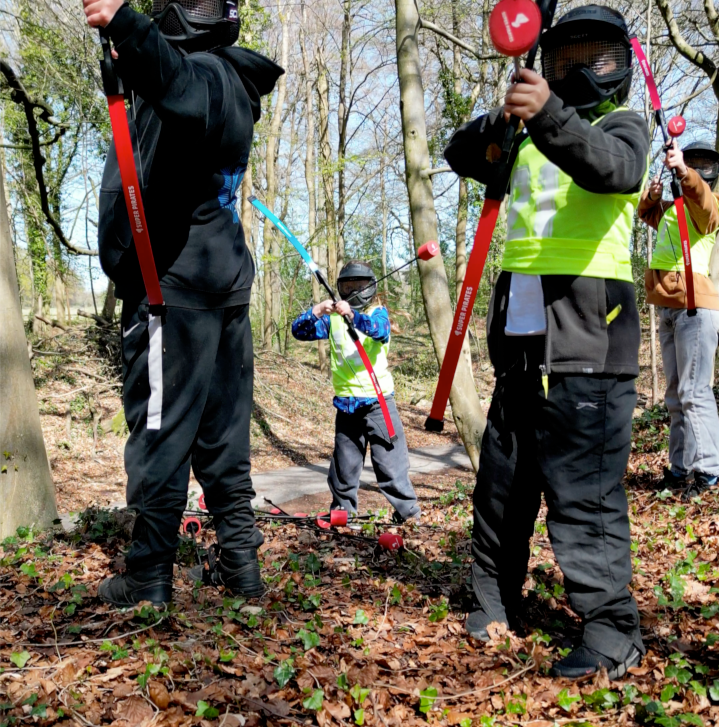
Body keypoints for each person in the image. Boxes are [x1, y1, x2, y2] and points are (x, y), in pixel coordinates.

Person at [444, 6, 649, 678]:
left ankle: (611, 630)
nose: (585, 69)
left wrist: (547, 117)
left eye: (600, 57)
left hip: (593, 339)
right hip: (521, 342)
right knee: (503, 478)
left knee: (582, 489)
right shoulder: (528, 137)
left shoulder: (621, 127)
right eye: (568, 56)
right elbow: (459, 155)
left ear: (619, 63)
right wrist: (501, 120)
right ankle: (494, 595)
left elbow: (609, 171)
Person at [83, 0, 283, 606]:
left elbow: (181, 87)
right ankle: (242, 572)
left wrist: (125, 23)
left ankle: (148, 577)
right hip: (212, 281)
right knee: (223, 435)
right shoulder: (222, 77)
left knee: (162, 433)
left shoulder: (215, 75)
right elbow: (166, 97)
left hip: (177, 288)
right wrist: (129, 66)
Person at [291, 261, 421, 522]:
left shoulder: (377, 313)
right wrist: (317, 311)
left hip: (378, 404)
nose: (351, 291)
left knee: (390, 466)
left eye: (358, 287)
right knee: (343, 468)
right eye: (346, 287)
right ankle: (342, 516)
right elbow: (299, 331)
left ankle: (410, 517)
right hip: (347, 407)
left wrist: (352, 316)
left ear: (369, 287)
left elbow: (378, 331)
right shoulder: (333, 321)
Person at [640, 141, 719, 499]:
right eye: (692, 161)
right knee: (675, 394)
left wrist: (685, 172)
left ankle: (708, 472)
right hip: (668, 306)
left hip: (696, 306)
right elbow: (647, 215)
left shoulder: (706, 208)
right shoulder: (672, 212)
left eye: (703, 164)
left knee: (694, 391)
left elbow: (702, 200)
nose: (698, 168)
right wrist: (652, 196)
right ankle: (680, 469)